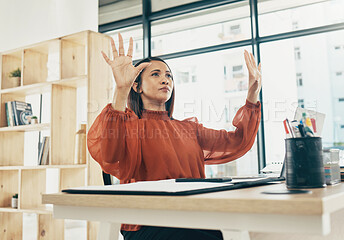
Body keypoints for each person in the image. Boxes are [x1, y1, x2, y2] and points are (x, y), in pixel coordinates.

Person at [87, 33, 262, 240]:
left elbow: (237, 141)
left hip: (192, 217)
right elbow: (110, 154)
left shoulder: (189, 130)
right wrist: (121, 90)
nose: (165, 79)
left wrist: (252, 95)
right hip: (148, 222)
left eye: (169, 75)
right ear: (137, 86)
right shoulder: (129, 127)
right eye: (155, 74)